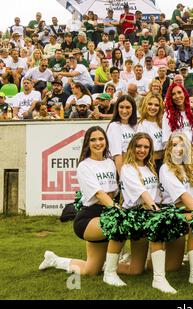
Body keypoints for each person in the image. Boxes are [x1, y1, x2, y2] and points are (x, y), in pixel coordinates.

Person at [38, 126, 121, 283]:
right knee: (120, 224)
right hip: (89, 218)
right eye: (93, 140)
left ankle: (55, 260)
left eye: (101, 139)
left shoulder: (110, 163)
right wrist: (118, 211)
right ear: (87, 143)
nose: (98, 143)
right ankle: (110, 275)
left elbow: (114, 191)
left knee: (90, 270)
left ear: (106, 141)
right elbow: (99, 194)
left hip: (107, 213)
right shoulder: (84, 165)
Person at [117, 132, 176, 292]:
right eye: (138, 146)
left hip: (151, 210)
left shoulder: (149, 168)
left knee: (136, 269)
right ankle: (159, 279)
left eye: (146, 147)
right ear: (132, 147)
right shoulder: (127, 168)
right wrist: (157, 212)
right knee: (157, 227)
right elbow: (144, 194)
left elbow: (157, 193)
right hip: (138, 214)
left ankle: (107, 265)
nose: (142, 150)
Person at [159, 132, 193, 289]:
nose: (178, 148)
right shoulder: (165, 168)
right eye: (174, 145)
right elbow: (183, 196)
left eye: (182, 144)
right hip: (171, 213)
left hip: (186, 211)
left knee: (173, 266)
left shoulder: (189, 168)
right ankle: (137, 261)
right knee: (170, 266)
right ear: (169, 149)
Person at [106, 95, 137, 174]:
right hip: (121, 170)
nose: (124, 111)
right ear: (117, 108)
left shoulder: (135, 127)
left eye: (128, 107)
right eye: (121, 107)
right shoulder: (114, 126)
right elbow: (117, 156)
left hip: (134, 169)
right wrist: (122, 179)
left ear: (133, 109)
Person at [161, 83, 193, 147]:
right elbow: (166, 139)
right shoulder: (168, 114)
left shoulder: (192, 111)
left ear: (184, 94)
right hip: (176, 151)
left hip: (191, 151)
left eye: (179, 92)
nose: (177, 96)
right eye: (173, 94)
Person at [136, 94, 164, 172]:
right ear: (145, 105)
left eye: (156, 105)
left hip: (165, 161)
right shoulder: (142, 125)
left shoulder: (162, 123)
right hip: (151, 163)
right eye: (150, 104)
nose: (153, 107)